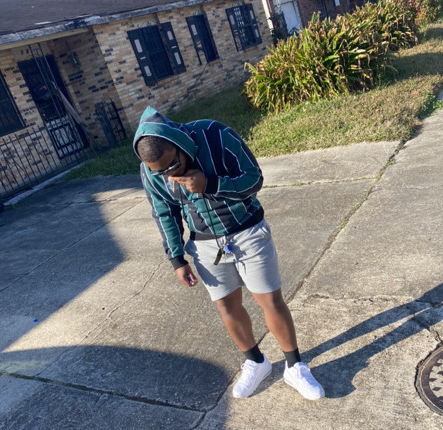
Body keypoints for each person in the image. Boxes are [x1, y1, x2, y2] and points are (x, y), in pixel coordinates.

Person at [134, 106, 324, 400]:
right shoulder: (152, 171)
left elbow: (254, 178)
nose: (169, 176)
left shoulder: (215, 134)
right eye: (160, 172)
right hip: (205, 245)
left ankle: (294, 366)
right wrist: (177, 258)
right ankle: (256, 362)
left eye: (172, 165)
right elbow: (164, 213)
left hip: (247, 231)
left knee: (270, 301)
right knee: (226, 306)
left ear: (178, 144)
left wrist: (210, 184)